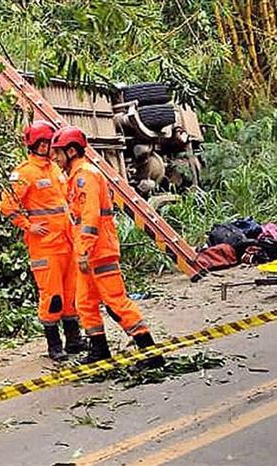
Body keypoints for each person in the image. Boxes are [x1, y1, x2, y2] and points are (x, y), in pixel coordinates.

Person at [50, 126, 164, 368]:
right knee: (85, 303)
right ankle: (99, 350)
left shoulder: (85, 176)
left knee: (116, 302)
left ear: (71, 151)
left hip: (98, 252)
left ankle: (150, 353)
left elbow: (90, 219)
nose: (55, 158)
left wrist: (84, 250)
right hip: (89, 252)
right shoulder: (76, 176)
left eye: (58, 153)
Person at [0, 120, 85, 361]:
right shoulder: (25, 172)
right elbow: (7, 204)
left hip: (67, 242)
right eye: (51, 144)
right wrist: (28, 225)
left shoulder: (56, 169)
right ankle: (54, 345)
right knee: (52, 295)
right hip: (45, 246)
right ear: (40, 144)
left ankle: (74, 340)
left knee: (71, 294)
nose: (55, 149)